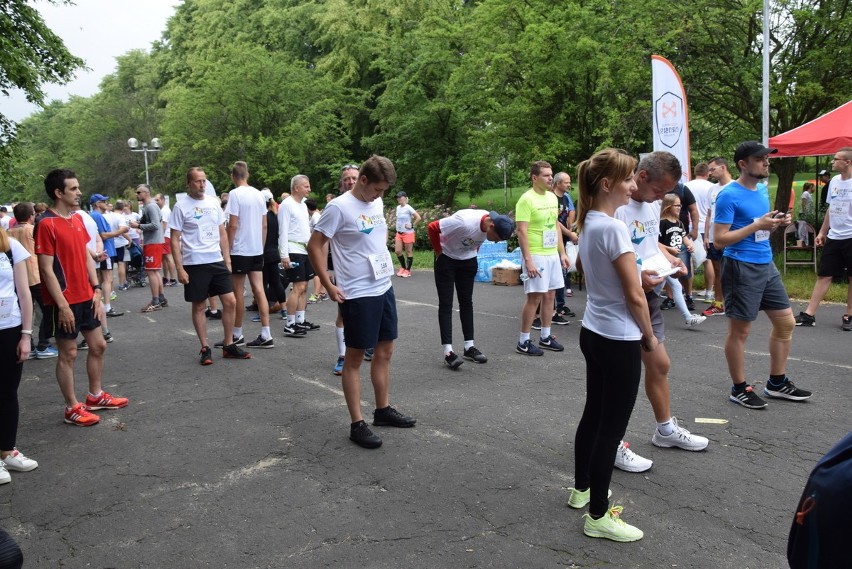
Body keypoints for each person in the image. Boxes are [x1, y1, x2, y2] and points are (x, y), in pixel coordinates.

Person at [568, 148, 657, 542]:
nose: (634, 186)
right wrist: (649, 336)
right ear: (607, 184)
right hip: (619, 338)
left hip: (594, 331)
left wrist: (640, 281)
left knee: (593, 414)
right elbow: (634, 295)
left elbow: (600, 275)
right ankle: (599, 515)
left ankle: (581, 489)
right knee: (611, 429)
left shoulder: (590, 221)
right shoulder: (613, 227)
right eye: (628, 180)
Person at [307, 155, 416, 449]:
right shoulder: (338, 207)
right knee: (354, 359)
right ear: (363, 180)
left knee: (385, 350)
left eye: (384, 192)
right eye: (377, 190)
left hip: (383, 285)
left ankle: (382, 410)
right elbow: (315, 245)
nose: (380, 196)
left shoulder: (376, 202)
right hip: (356, 292)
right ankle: (357, 423)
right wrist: (328, 285)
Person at [614, 151, 709, 474]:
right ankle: (611, 441)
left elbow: (648, 244)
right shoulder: (615, 207)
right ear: (641, 177)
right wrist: (635, 274)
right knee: (619, 378)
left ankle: (665, 431)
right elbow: (601, 258)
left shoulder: (653, 204)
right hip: (622, 302)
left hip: (649, 295)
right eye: (659, 189)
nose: (663, 197)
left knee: (661, 364)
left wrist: (670, 256)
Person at [714, 141, 812, 408]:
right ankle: (739, 388)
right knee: (740, 332)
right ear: (742, 164)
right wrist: (757, 224)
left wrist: (777, 224)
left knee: (786, 323)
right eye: (759, 159)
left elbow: (761, 231)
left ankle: (777, 383)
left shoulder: (760, 191)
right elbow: (719, 240)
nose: (766, 163)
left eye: (766, 159)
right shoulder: (728, 195)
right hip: (740, 267)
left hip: (765, 264)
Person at [35, 169, 129, 427]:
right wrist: (62, 306)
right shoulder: (46, 224)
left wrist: (97, 289)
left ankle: (95, 396)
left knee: (98, 346)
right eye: (73, 188)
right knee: (69, 353)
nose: (79, 192)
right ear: (59, 193)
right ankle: (71, 407)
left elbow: (86, 255)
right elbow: (45, 269)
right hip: (62, 301)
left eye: (78, 188)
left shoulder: (77, 219)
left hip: (86, 296)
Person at [170, 167, 250, 364]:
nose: (202, 185)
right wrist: (179, 268)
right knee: (199, 305)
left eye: (204, 181)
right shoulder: (181, 207)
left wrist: (227, 259)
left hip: (216, 260)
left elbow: (222, 232)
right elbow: (174, 239)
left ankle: (229, 344)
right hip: (194, 262)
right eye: (198, 181)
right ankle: (205, 347)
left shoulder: (213, 203)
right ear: (189, 183)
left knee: (230, 301)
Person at [428, 209, 516, 369]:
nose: (496, 242)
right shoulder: (464, 222)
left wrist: (472, 253)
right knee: (446, 303)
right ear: (491, 225)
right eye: (497, 238)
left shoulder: (489, 227)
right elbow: (432, 227)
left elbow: (477, 241)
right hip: (446, 258)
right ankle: (448, 352)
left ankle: (469, 347)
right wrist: (438, 252)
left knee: (466, 303)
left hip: (468, 261)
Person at [515, 161, 570, 356]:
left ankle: (546, 336)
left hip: (551, 253)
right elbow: (521, 231)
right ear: (534, 178)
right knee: (534, 297)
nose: (550, 178)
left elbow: (555, 225)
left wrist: (562, 252)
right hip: (536, 254)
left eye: (551, 174)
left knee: (550, 295)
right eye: (546, 175)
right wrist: (528, 260)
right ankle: (523, 341)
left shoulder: (552, 198)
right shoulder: (526, 200)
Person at [794, 147, 852, 331]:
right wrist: (822, 232)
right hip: (834, 235)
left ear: (847, 162)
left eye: (836, 159)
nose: (832, 162)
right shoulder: (834, 181)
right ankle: (809, 314)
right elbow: (831, 208)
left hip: (851, 236)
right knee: (824, 274)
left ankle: (849, 315)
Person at [0, 226, 38, 482]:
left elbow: (24, 294)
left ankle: (6, 452)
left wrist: (26, 334)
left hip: (10, 329)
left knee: (7, 392)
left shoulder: (10, 246)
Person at [224, 161, 273, 349]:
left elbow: (233, 224)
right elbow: (264, 224)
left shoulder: (235, 194)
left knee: (237, 291)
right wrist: (259, 246)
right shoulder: (259, 195)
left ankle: (237, 333)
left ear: (233, 176)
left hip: (240, 249)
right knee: (259, 290)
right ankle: (266, 333)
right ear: (248, 174)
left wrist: (227, 249)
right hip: (255, 249)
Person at [9, 203, 57, 359]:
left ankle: (27, 345)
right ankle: (43, 345)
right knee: (47, 311)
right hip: (36, 276)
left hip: (17, 279)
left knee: (22, 312)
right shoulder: (33, 230)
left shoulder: (8, 233)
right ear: (31, 216)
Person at [279, 174, 319, 338]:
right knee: (297, 287)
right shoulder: (286, 205)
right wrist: (284, 255)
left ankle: (300, 320)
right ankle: (289, 324)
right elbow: (282, 231)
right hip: (293, 249)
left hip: (305, 250)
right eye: (306, 186)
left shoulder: (303, 205)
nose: (309, 189)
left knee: (304, 287)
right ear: (296, 187)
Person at [658, 194, 707, 327]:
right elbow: (656, 243)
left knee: (660, 288)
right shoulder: (662, 223)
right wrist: (669, 249)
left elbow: (683, 236)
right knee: (671, 286)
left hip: (673, 260)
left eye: (680, 205)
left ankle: (688, 317)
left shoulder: (679, 223)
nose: (680, 208)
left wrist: (689, 245)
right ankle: (688, 317)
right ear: (668, 207)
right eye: (676, 205)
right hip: (662, 259)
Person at [331, 164, 360, 375]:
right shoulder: (336, 206)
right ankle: (342, 355)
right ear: (342, 183)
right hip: (345, 273)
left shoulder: (372, 202)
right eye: (347, 178)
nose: (351, 181)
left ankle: (363, 344)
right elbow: (322, 242)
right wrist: (328, 272)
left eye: (354, 178)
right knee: (344, 316)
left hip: (369, 273)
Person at [702, 157, 733, 317]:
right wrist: (706, 236)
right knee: (717, 269)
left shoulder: (734, 187)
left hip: (730, 236)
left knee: (733, 270)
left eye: (712, 169)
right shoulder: (711, 189)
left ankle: (734, 302)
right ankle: (719, 302)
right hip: (714, 237)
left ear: (723, 167)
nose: (710, 173)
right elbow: (709, 213)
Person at [89, 194, 127, 318]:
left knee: (103, 278)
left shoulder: (96, 215)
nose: (106, 202)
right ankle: (106, 307)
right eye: (103, 201)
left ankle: (101, 306)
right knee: (107, 279)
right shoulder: (97, 215)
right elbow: (103, 235)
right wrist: (121, 231)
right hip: (105, 251)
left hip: (104, 250)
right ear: (96, 204)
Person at [130, 184, 166, 312]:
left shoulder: (150, 206)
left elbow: (155, 225)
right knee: (154, 271)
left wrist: (138, 226)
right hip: (154, 241)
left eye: (138, 192)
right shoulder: (148, 206)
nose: (136, 194)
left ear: (146, 193)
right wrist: (139, 224)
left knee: (151, 272)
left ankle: (156, 301)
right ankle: (160, 299)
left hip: (153, 242)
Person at [686, 162, 715, 301]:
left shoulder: (687, 185)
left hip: (691, 226)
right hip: (706, 227)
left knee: (689, 260)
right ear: (708, 173)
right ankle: (709, 292)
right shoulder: (712, 187)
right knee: (708, 260)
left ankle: (688, 293)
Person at [394, 191, 421, 277]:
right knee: (398, 251)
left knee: (408, 252)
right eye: (397, 197)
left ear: (405, 198)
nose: (398, 199)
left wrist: (412, 225)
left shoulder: (408, 207)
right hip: (399, 232)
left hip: (408, 233)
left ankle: (408, 271)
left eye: (400, 197)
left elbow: (418, 218)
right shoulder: (398, 207)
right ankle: (403, 267)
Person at [155, 193, 178, 287]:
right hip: (164, 236)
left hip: (165, 236)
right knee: (164, 258)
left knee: (168, 257)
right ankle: (165, 277)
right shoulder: (162, 210)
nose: (156, 202)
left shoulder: (164, 211)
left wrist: (159, 236)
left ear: (163, 200)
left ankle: (173, 278)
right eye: (155, 200)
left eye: (158, 200)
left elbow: (163, 226)